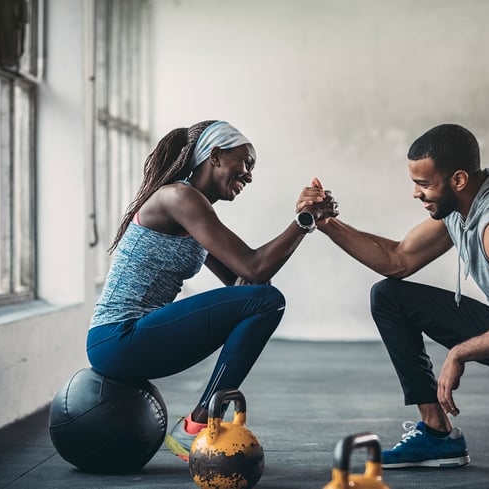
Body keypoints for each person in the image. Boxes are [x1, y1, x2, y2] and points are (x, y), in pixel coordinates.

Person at [314, 123, 489, 477]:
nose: (416, 194)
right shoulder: (460, 210)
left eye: (424, 184)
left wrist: (459, 352)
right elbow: (398, 260)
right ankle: (437, 433)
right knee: (389, 296)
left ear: (459, 180)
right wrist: (327, 223)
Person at [86, 120, 337, 461]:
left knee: (264, 301)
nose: (249, 175)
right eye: (246, 162)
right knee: (267, 302)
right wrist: (302, 222)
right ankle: (198, 425)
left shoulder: (194, 210)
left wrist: (308, 217)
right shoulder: (178, 197)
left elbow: (248, 284)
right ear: (216, 155)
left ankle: (198, 422)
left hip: (132, 342)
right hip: (117, 337)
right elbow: (254, 269)